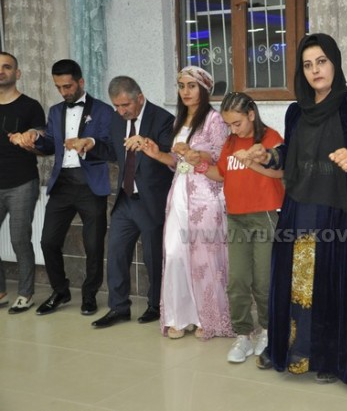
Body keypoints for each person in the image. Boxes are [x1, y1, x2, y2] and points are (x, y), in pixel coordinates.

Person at [247, 33, 347, 386]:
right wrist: (268, 154)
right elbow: (291, 152)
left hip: (340, 211)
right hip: (300, 206)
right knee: (297, 281)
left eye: (321, 62)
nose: (315, 70)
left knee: (332, 283)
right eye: (307, 65)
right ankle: (294, 348)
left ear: (335, 62)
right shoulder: (296, 110)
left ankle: (330, 357)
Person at [10, 59, 113, 317]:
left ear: (81, 82)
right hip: (62, 184)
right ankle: (60, 291)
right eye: (58, 87)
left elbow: (111, 148)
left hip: (90, 185)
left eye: (68, 86)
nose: (64, 92)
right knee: (48, 241)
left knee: (93, 246)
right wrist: (34, 140)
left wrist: (88, 143)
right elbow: (50, 146)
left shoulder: (103, 110)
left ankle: (89, 295)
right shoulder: (55, 111)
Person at [70, 76, 174, 328]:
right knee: (115, 253)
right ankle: (118, 307)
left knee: (153, 256)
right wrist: (90, 144)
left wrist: (147, 144)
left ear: (140, 98)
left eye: (125, 105)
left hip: (151, 200)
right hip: (125, 199)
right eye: (116, 106)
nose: (120, 111)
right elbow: (113, 151)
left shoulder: (163, 119)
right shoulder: (118, 119)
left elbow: (171, 158)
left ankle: (156, 305)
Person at [140, 66, 233, 340]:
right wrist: (157, 154)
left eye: (192, 86)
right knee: (174, 253)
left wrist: (194, 153)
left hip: (206, 194)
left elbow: (220, 157)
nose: (185, 92)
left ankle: (207, 317)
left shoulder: (215, 120)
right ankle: (179, 316)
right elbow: (175, 161)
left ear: (204, 89)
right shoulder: (178, 121)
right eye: (181, 86)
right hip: (179, 191)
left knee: (204, 257)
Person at [196, 91, 284, 362]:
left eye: (237, 123)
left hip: (264, 215)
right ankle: (243, 335)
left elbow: (281, 172)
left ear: (251, 114)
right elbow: (221, 174)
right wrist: (199, 165)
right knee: (237, 280)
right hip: (236, 217)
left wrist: (254, 162)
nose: (233, 129)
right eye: (228, 124)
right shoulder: (231, 142)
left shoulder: (271, 138)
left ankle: (268, 331)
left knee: (263, 280)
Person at [0, 52, 46, 314]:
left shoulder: (30, 106)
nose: (1, 71)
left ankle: (26, 294)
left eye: (6, 67)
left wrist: (31, 138)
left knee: (19, 239)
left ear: (17, 73)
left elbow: (42, 142)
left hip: (21, 183)